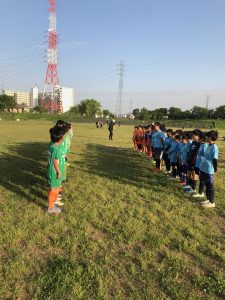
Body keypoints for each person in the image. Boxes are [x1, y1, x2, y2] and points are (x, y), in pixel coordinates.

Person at [194, 131, 218, 208]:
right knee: (206, 185)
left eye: (207, 136)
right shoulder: (208, 145)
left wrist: (215, 170)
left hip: (209, 169)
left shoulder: (214, 147)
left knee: (210, 185)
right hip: (204, 168)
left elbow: (215, 159)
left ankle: (212, 202)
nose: (206, 138)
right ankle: (208, 199)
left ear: (210, 137)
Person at [47, 126, 66, 214]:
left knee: (55, 189)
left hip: (52, 171)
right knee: (53, 190)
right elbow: (55, 162)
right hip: (54, 172)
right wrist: (59, 172)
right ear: (61, 138)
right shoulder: (56, 149)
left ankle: (53, 204)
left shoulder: (52, 145)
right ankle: (51, 208)